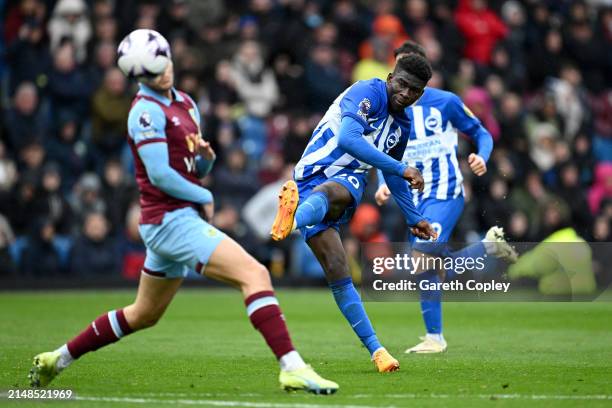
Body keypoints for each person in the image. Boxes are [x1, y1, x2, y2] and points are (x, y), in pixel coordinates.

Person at [28, 29, 338, 395]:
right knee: (255, 274)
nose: (161, 76)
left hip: (172, 221)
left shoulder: (186, 103)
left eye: (162, 66)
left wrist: (205, 162)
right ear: (137, 78)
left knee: (143, 314)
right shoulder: (144, 112)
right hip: (170, 220)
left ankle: (56, 359)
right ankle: (292, 366)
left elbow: (191, 167)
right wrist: (201, 195)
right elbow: (159, 174)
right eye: (150, 74)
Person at [270, 53, 438, 373]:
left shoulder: (403, 124)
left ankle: (377, 352)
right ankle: (293, 218)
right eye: (402, 84)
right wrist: (402, 168)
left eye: (414, 90)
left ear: (420, 94)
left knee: (338, 266)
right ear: (391, 78)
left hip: (329, 188)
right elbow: (348, 138)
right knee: (339, 189)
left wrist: (414, 216)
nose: (406, 93)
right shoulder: (368, 92)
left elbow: (392, 177)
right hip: (314, 175)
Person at [374, 41, 517, 354]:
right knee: (427, 268)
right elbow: (388, 151)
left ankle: (435, 337)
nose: (404, 79)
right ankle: (435, 335)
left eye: (411, 69)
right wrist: (386, 182)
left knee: (420, 262)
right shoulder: (389, 105)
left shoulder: (446, 102)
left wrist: (482, 155)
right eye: (400, 70)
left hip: (445, 192)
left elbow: (480, 132)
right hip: (412, 198)